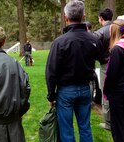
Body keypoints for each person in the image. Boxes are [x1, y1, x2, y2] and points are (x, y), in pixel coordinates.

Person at [45, 1, 102, 142]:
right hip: (84, 89)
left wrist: (51, 95)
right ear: (83, 16)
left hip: (67, 91)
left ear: (66, 17)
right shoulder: (93, 39)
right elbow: (103, 58)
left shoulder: (60, 42)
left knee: (67, 130)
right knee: (85, 127)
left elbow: (51, 72)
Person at [103, 19, 124, 142]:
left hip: (117, 93)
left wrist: (106, 90)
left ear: (114, 32)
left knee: (117, 126)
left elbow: (111, 75)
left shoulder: (117, 50)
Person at [93, 8, 113, 130]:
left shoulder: (100, 33)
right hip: (120, 64)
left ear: (101, 18)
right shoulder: (118, 29)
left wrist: (101, 58)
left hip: (106, 64)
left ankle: (109, 123)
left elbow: (95, 50)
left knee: (106, 92)